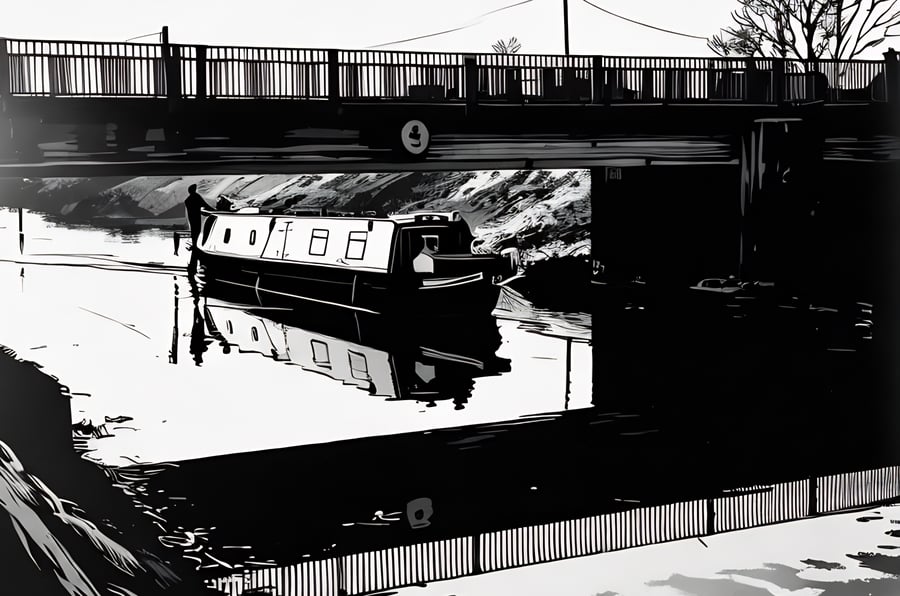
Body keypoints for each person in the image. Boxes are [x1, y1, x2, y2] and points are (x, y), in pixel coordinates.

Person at [184, 184, 212, 274]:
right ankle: (196, 245)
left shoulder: (188, 200)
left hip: (191, 217)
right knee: (197, 230)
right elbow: (204, 205)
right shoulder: (196, 197)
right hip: (196, 217)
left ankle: (195, 245)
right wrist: (213, 210)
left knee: (194, 231)